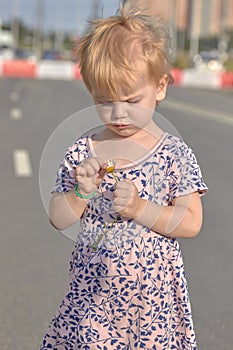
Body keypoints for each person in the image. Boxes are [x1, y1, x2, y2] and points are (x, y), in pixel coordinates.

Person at [40, 3, 208, 349]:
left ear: (160, 87)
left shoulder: (173, 154)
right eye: (104, 101)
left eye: (131, 100)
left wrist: (139, 208)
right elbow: (58, 217)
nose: (118, 114)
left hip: (153, 308)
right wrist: (81, 193)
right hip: (93, 302)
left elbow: (191, 222)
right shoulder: (82, 151)